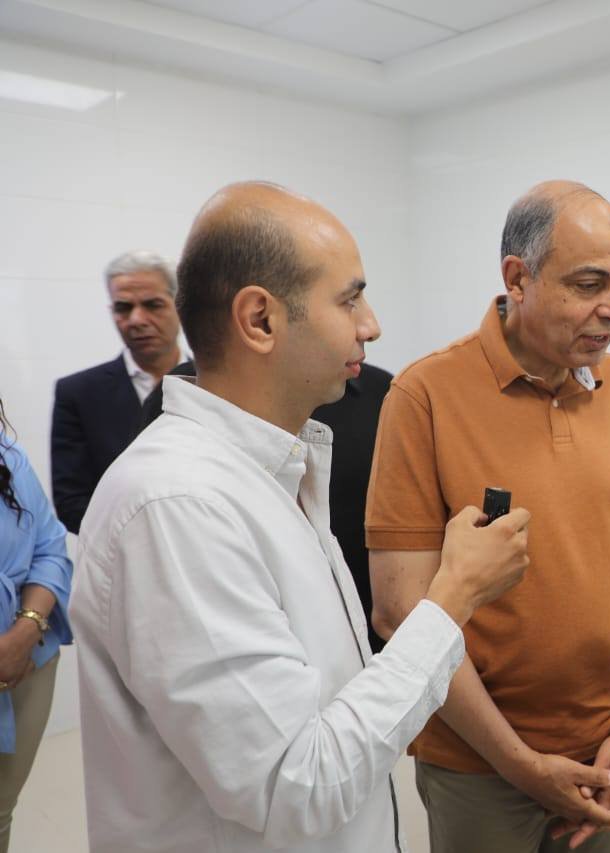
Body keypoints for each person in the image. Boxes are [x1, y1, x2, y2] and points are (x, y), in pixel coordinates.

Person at [69, 181, 531, 853]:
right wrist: (452, 597)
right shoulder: (177, 506)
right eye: (349, 299)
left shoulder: (277, 469)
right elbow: (299, 786)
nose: (371, 325)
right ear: (260, 320)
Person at [366, 180, 610, 852]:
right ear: (518, 278)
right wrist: (521, 765)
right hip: (479, 767)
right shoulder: (424, 395)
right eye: (590, 284)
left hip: (606, 755)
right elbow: (399, 609)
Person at [141, 360, 395, 652]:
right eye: (345, 311)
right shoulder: (179, 487)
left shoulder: (381, 392)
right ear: (260, 330)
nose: (369, 335)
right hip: (267, 640)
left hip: (364, 645)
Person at [51, 251, 183, 533]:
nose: (137, 319)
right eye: (124, 308)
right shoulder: (79, 394)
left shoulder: (216, 385)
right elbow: (71, 503)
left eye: (153, 305)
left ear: (180, 305)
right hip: (123, 552)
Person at [0, 400, 72, 852]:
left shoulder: (7, 456)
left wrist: (24, 633)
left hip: (28, 665)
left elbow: (50, 547)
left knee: (0, 809)